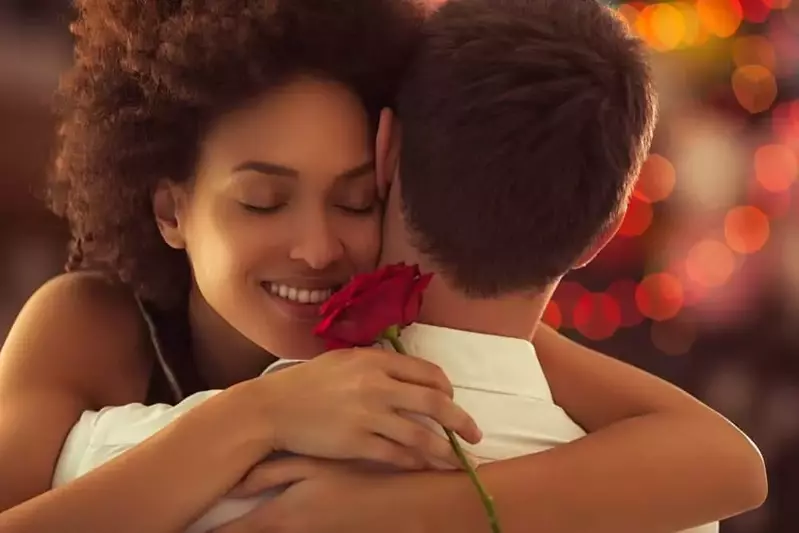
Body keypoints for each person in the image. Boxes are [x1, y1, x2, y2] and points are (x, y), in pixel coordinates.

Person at [0, 0, 766, 532]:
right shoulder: (88, 325)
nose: (316, 248)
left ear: (393, 172)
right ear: (170, 211)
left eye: (356, 200)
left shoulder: (398, 319)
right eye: (263, 202)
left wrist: (405, 515)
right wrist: (257, 415)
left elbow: (723, 462)